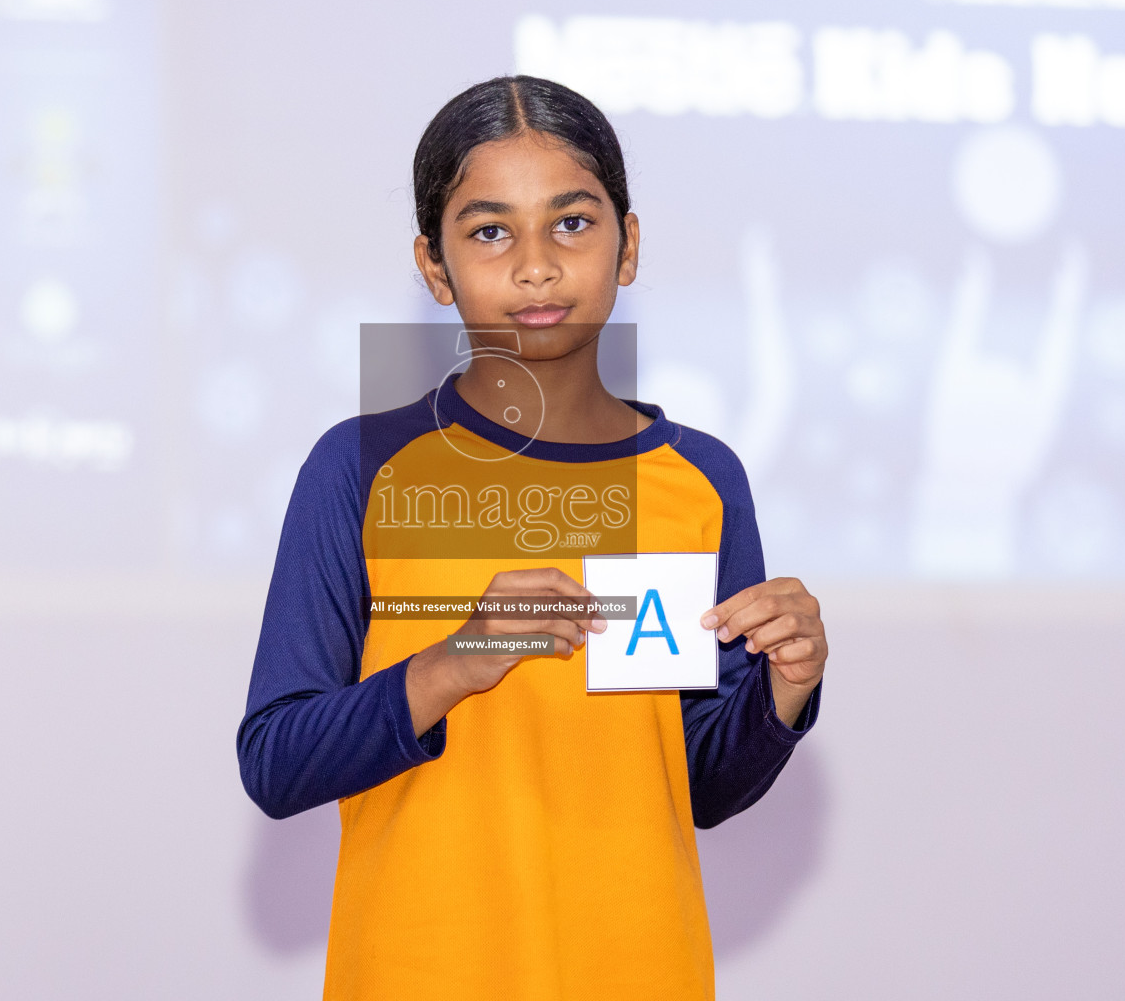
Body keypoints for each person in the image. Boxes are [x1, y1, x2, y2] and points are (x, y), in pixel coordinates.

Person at [238, 74, 829, 1000]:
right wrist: (454, 663)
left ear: (627, 245)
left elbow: (700, 785)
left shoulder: (700, 481)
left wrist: (783, 696)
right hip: (420, 972)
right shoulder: (361, 467)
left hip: (640, 970)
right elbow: (275, 760)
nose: (536, 266)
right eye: (488, 232)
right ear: (435, 268)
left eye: (572, 223)